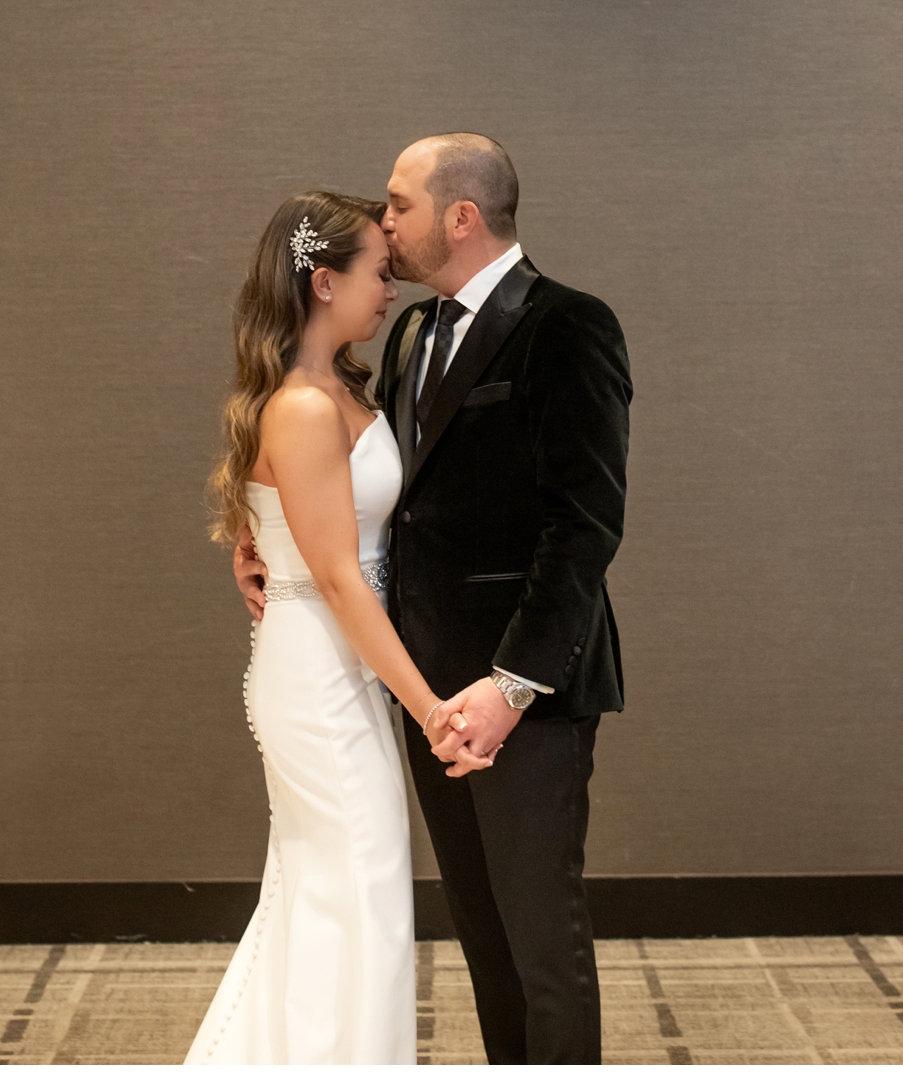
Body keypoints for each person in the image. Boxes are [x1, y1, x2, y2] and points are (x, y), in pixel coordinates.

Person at [225, 136, 632, 1066]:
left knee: (543, 941)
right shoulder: (409, 337)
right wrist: (263, 537)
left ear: (461, 216)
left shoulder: (568, 325)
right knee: (483, 937)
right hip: (422, 690)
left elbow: (583, 528)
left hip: (521, 691)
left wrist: (511, 684)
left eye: (400, 202)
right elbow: (373, 507)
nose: (387, 218)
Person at [187, 190, 490, 1065]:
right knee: (355, 888)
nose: (389, 288)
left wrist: (252, 543)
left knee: (346, 894)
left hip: (343, 663)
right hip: (320, 672)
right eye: (376, 273)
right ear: (323, 282)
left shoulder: (340, 386)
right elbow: (335, 577)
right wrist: (432, 708)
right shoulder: (305, 407)